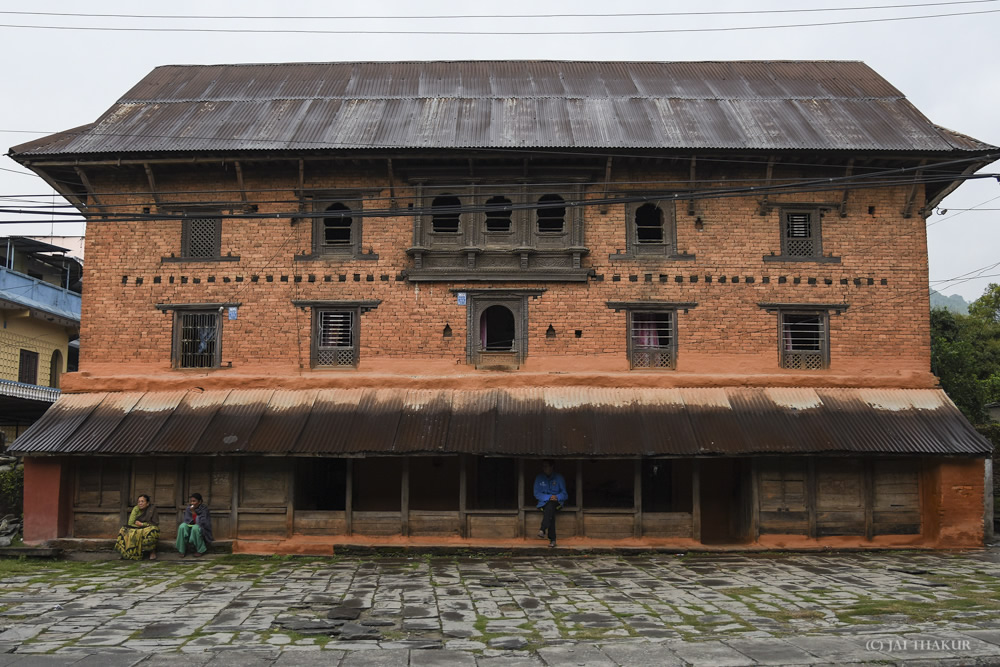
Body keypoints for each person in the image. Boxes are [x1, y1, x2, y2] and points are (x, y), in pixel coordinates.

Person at [533, 460, 568, 548]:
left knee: (551, 506)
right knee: (550, 510)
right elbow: (536, 493)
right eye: (543, 466)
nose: (544, 468)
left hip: (557, 503)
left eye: (546, 466)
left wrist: (557, 497)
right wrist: (548, 497)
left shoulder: (559, 478)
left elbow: (565, 494)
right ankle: (552, 540)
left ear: (552, 467)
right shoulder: (539, 477)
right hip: (543, 503)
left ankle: (543, 529)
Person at [115, 494, 160, 560]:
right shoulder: (136, 509)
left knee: (153, 531)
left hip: (148, 527)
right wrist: (138, 527)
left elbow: (155, 523)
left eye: (142, 501)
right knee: (123, 530)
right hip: (136, 527)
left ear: (147, 503)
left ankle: (152, 552)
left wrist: (142, 524)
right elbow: (130, 523)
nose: (140, 503)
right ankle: (125, 553)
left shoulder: (152, 509)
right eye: (139, 502)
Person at [176, 493, 212, 557]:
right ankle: (182, 550)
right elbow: (187, 520)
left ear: (200, 502)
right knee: (182, 526)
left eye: (194, 501)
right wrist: (189, 523)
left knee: (195, 528)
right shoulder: (188, 508)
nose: (192, 503)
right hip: (190, 527)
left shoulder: (204, 509)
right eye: (191, 501)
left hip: (202, 528)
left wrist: (193, 512)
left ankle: (200, 550)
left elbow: (203, 522)